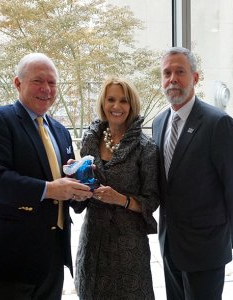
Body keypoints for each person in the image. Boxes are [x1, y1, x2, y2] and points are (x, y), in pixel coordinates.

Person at [0, 53, 93, 300]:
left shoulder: (60, 131)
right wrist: (50, 189)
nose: (46, 89)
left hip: (52, 258)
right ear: (18, 83)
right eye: (38, 81)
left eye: (52, 83)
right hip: (8, 261)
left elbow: (63, 188)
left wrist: (81, 187)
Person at [152, 46, 233, 300]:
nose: (172, 79)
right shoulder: (159, 123)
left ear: (195, 78)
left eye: (180, 72)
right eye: (166, 73)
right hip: (170, 245)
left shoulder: (218, 123)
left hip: (207, 249)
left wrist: (228, 237)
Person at [73, 76, 160, 299]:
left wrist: (120, 199)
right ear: (103, 103)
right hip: (93, 240)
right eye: (111, 99)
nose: (116, 106)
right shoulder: (90, 139)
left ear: (132, 106)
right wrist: (75, 183)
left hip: (128, 244)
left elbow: (152, 200)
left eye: (124, 101)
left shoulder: (145, 147)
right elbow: (79, 194)